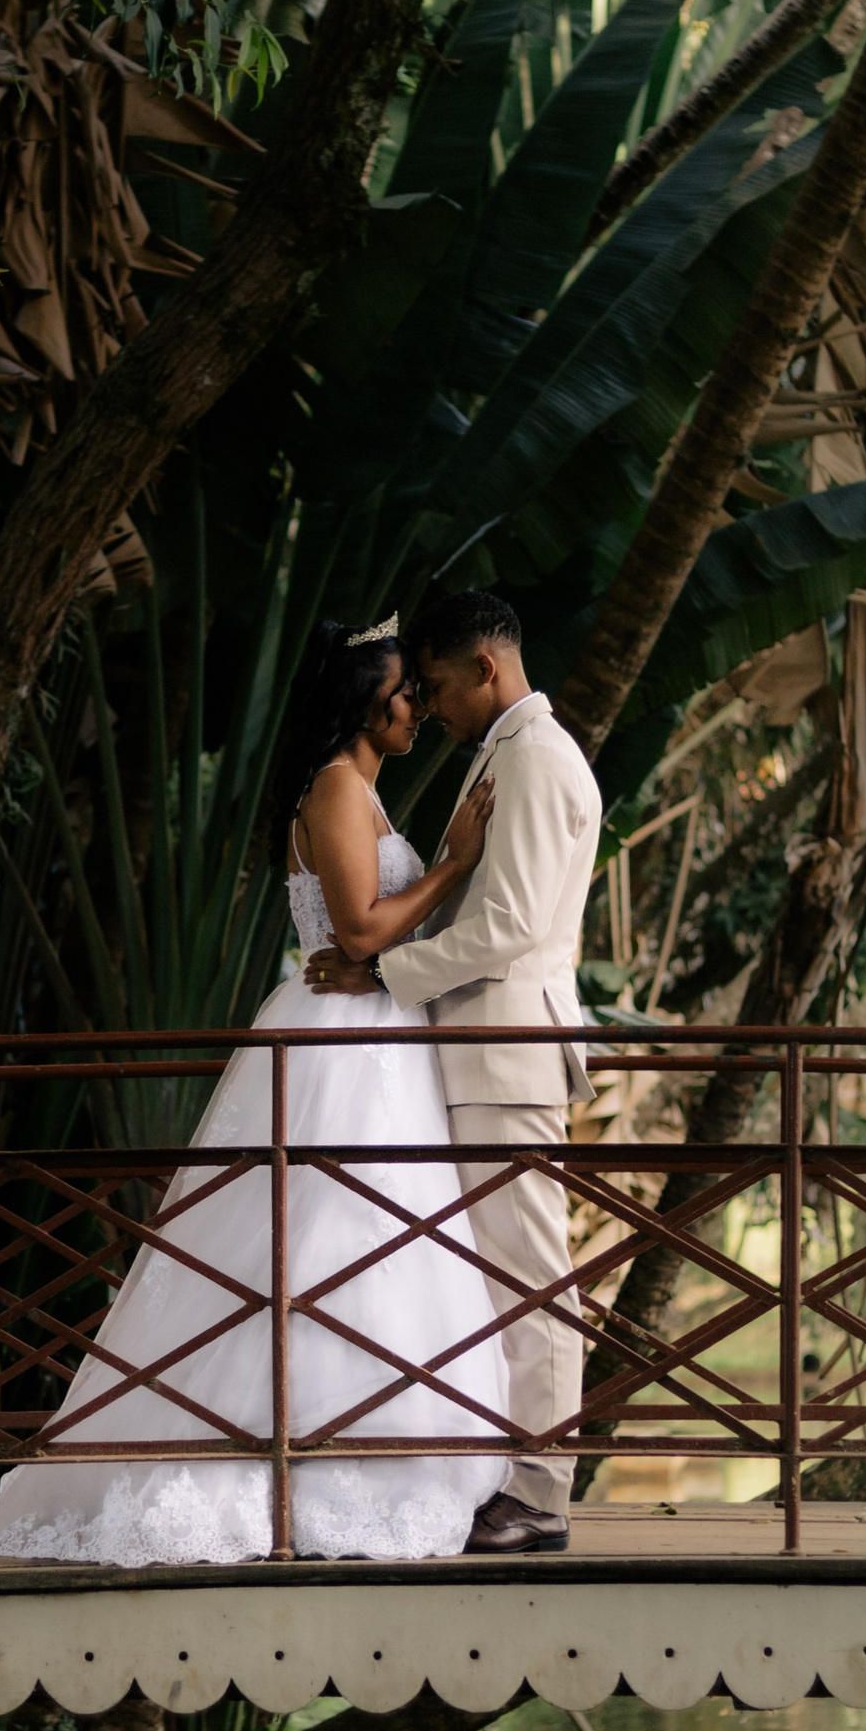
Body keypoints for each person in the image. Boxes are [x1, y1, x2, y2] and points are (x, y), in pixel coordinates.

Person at [0, 619, 509, 1566]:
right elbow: (358, 931)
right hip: (339, 1040)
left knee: (376, 1241)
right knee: (317, 1237)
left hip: (377, 1033)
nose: (417, 711)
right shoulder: (337, 790)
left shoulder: (362, 792)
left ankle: (375, 1454)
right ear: (363, 705)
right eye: (403, 695)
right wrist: (454, 866)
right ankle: (283, 1458)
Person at [306, 587, 600, 1555]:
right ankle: (496, 1476)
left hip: (504, 1048)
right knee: (491, 1276)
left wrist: (380, 970)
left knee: (527, 1281)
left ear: (484, 667)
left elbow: (509, 926)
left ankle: (539, 1493)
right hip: (476, 1045)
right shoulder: (507, 755)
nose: (427, 708)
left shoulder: (537, 760)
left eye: (435, 685)